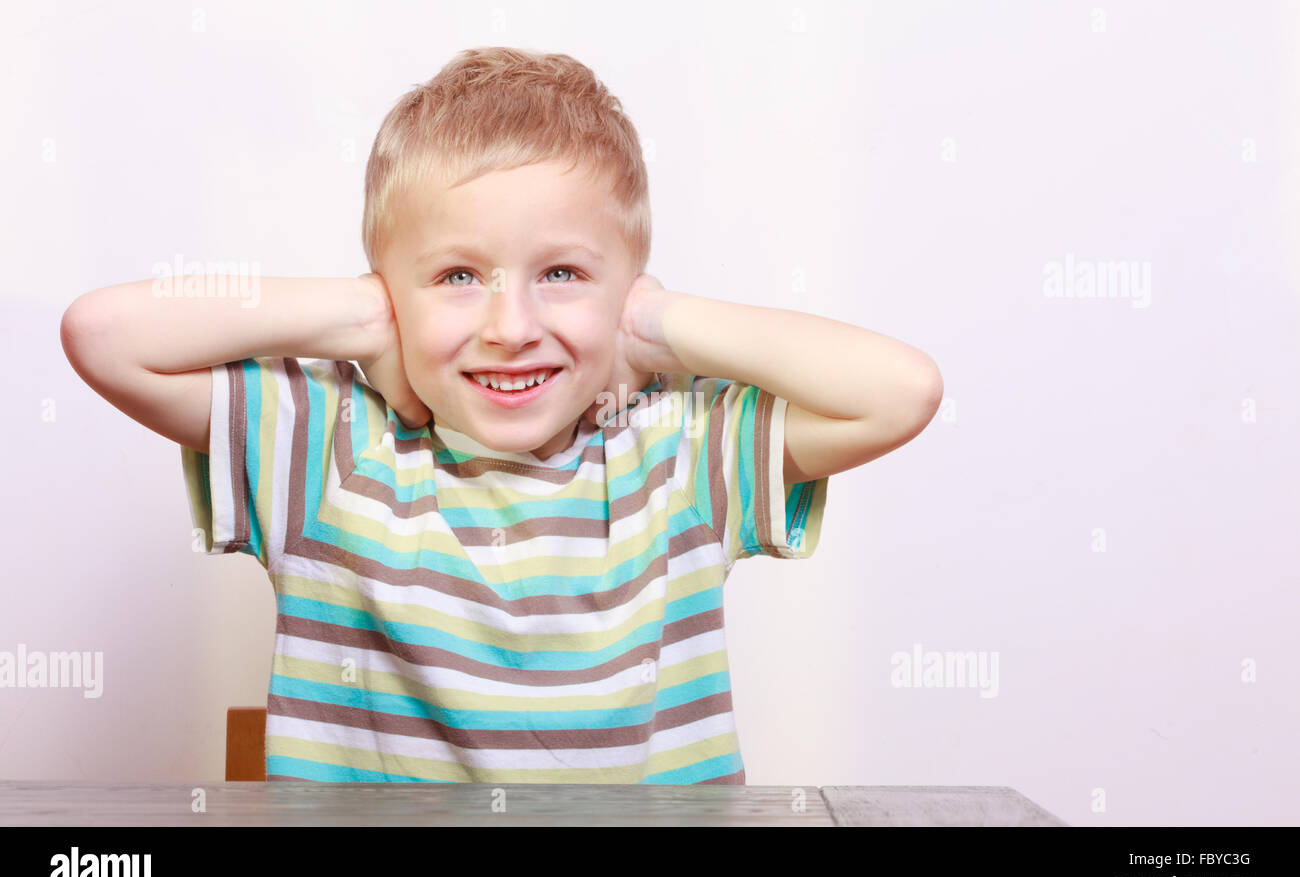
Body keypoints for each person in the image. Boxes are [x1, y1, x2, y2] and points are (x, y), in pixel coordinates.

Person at [60, 46, 942, 783]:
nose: (511, 328)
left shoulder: (680, 454)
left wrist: (659, 326)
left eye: (561, 273)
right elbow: (102, 334)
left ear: (625, 286)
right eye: (456, 275)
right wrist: (362, 319)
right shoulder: (327, 449)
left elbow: (901, 390)